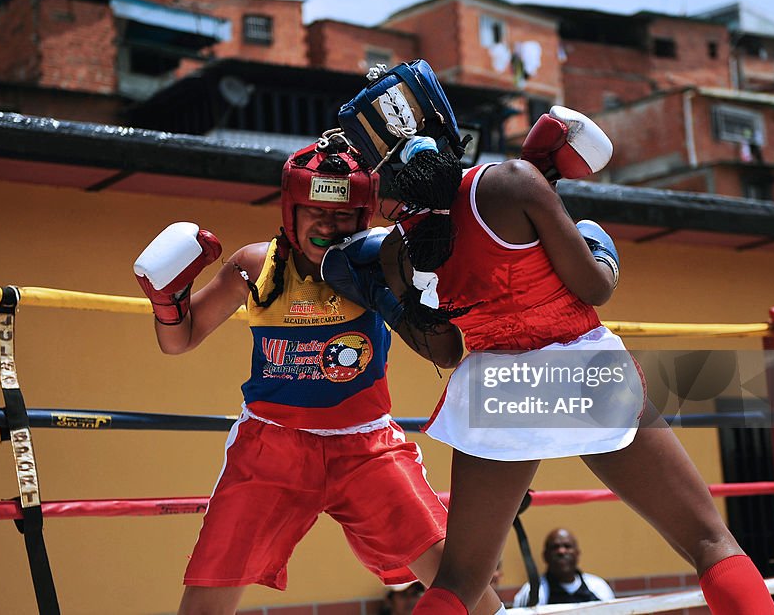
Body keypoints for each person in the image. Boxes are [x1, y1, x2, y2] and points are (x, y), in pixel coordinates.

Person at [328, 76, 774, 615]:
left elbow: (445, 350)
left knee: (458, 582)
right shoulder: (512, 182)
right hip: (581, 368)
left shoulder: (397, 251)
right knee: (709, 542)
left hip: (495, 386)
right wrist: (598, 248)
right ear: (446, 124)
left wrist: (393, 304)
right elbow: (594, 287)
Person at [132, 134, 503, 615]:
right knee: (205, 601)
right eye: (315, 210)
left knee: (465, 587)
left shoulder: (385, 260)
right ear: (291, 210)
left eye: (342, 214)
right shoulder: (255, 265)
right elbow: (179, 340)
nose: (328, 223)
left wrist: (414, 286)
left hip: (367, 449)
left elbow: (446, 352)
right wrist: (167, 301)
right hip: (271, 450)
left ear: (361, 216)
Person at [511, 528, 613, 607]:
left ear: (577, 553)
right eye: (555, 547)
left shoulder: (599, 587)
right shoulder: (532, 592)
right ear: (545, 555)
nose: (562, 551)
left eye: (567, 546)